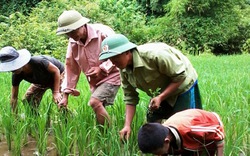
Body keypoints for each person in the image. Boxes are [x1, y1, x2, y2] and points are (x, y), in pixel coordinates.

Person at [99, 34, 202, 140]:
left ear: (127, 51)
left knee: (183, 126)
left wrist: (161, 97)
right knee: (152, 121)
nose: (113, 62)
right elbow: (130, 97)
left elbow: (180, 76)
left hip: (183, 85)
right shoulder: (123, 69)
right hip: (160, 91)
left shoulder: (154, 55)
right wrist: (127, 125)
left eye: (115, 57)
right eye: (110, 59)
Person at [56, 10, 120, 126]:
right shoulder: (73, 42)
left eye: (73, 31)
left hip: (112, 75)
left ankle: (109, 135)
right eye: (68, 34)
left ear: (81, 25)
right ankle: (105, 138)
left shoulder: (102, 33)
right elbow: (71, 67)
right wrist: (65, 96)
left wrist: (101, 68)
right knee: (98, 107)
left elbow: (119, 53)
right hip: (94, 81)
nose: (71, 36)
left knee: (94, 102)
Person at [0, 46, 65, 113]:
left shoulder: (38, 62)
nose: (13, 70)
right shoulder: (16, 74)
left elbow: (56, 71)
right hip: (41, 80)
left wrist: (56, 92)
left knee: (60, 100)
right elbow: (14, 97)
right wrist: (15, 116)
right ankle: (36, 120)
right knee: (29, 99)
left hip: (58, 75)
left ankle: (67, 119)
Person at [137, 109, 225, 156]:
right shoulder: (162, 137)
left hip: (211, 126)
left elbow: (218, 133)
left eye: (156, 153)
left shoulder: (190, 129)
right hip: (185, 139)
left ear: (167, 141)